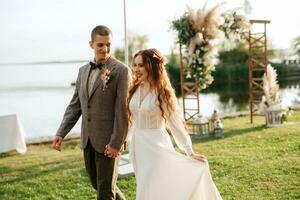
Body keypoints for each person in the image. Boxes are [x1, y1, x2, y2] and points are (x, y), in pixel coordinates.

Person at [127, 48, 222, 200]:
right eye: (135, 65)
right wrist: (122, 140)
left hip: (156, 145)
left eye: (141, 65)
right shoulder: (134, 88)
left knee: (153, 186)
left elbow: (174, 122)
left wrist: (189, 150)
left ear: (151, 66)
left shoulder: (162, 92)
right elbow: (131, 119)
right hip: (138, 146)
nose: (137, 69)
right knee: (145, 185)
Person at [52, 25, 130, 200]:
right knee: (99, 184)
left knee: (104, 192)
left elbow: (123, 110)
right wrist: (61, 132)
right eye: (100, 45)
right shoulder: (82, 71)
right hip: (87, 140)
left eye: (108, 44)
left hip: (109, 142)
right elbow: (75, 106)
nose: (105, 49)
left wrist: (117, 142)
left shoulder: (121, 71)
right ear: (91, 44)